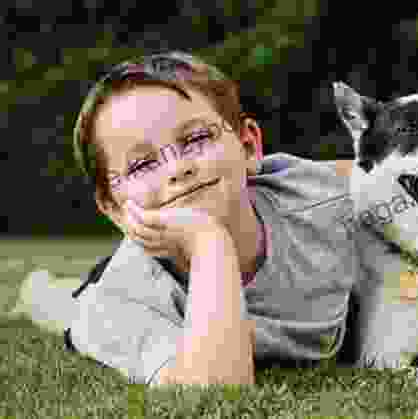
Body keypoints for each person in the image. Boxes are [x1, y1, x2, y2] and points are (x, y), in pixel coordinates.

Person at [69, 51, 357, 388]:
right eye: (141, 165)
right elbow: (214, 391)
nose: (178, 169)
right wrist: (208, 241)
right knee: (65, 307)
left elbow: (394, 180)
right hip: (120, 282)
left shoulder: (317, 196)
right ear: (114, 210)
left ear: (248, 147)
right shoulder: (118, 306)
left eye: (196, 139)